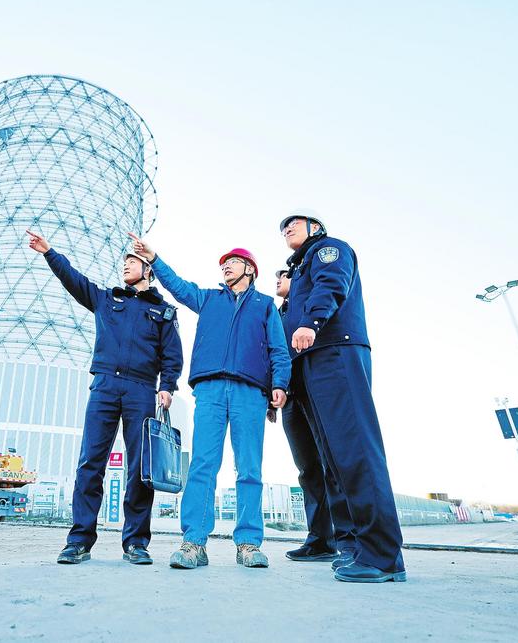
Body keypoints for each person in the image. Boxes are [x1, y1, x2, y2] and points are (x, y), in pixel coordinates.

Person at [128, 232, 290, 569]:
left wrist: (280, 383)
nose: (226, 267)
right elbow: (178, 286)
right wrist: (155, 259)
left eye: (233, 262)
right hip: (211, 390)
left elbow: (278, 349)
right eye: (224, 264)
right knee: (202, 464)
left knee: (249, 468)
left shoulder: (265, 306)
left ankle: (248, 544)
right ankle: (194, 543)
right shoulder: (209, 299)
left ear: (250, 269)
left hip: (250, 392)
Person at [27, 229, 184, 566]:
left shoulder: (164, 312)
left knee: (140, 468)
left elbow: (172, 356)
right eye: (124, 262)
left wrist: (167, 386)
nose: (125, 265)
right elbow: (74, 280)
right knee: (90, 463)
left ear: (148, 270)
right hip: (104, 387)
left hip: (142, 390)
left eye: (133, 261)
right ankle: (79, 541)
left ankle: (136, 543)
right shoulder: (106, 299)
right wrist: (49, 252)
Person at [278, 211, 406, 583]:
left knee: (356, 451)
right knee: (334, 461)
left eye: (294, 222)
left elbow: (332, 284)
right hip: (311, 361)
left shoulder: (328, 250)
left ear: (315, 227)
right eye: (283, 227)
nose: (286, 228)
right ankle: (353, 548)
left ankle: (383, 557)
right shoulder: (300, 269)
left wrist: (311, 321)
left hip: (334, 351)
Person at [273, 268, 356, 563]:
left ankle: (350, 540)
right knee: (307, 469)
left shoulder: (309, 308)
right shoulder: (277, 315)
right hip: (291, 396)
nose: (278, 279)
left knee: (333, 463)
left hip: (317, 387)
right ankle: (320, 540)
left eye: (284, 275)